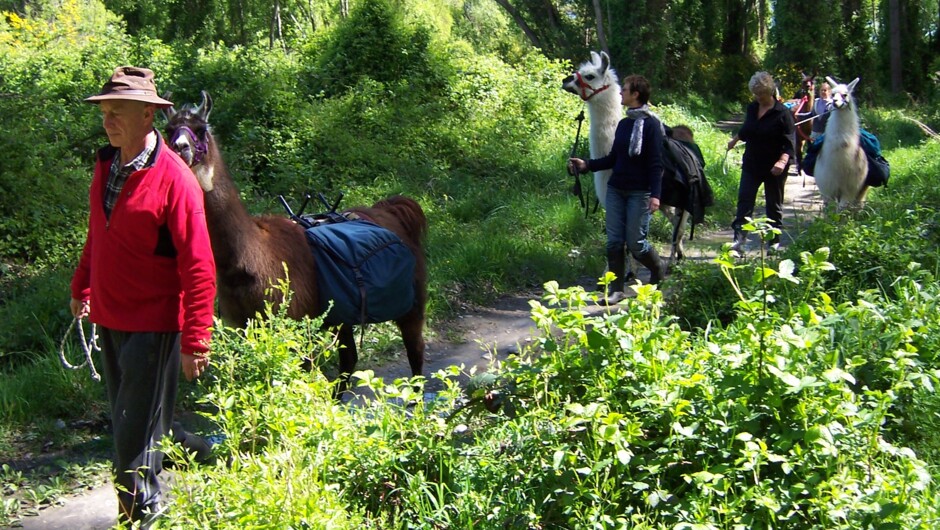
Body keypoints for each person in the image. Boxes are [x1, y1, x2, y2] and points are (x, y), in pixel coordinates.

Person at [69, 66, 217, 528]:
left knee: (133, 444)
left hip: (154, 328)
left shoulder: (175, 180)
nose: (108, 120)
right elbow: (98, 234)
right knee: (135, 426)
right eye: (105, 111)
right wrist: (83, 286)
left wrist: (196, 339)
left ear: (149, 115)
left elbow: (199, 265)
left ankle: (140, 519)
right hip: (110, 319)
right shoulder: (106, 165)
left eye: (118, 112)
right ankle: (205, 454)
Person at [569, 74, 666, 304]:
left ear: (636, 95)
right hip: (616, 190)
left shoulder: (652, 125)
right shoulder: (623, 124)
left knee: (636, 243)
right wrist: (587, 165)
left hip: (639, 192)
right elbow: (614, 158)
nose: (620, 93)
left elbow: (656, 164)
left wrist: (656, 195)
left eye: (625, 90)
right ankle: (617, 290)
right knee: (613, 241)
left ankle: (658, 268)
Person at [726, 71, 796, 254]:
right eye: (755, 94)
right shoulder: (752, 108)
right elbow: (748, 128)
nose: (758, 98)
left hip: (775, 168)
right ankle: (739, 241)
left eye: (761, 94)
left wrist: (782, 161)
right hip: (752, 163)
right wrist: (735, 139)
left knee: (773, 204)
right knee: (744, 201)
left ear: (771, 92)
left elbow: (790, 143)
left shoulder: (783, 113)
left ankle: (774, 241)